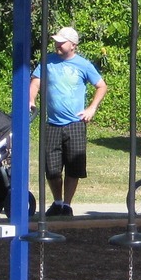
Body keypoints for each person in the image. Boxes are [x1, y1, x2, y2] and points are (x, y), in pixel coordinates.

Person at [29, 26, 107, 218]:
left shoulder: (83, 65)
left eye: (61, 42)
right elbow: (36, 82)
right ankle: (57, 202)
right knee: (52, 168)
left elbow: (101, 86)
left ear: (73, 45)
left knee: (74, 167)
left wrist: (91, 108)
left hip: (75, 124)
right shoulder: (47, 61)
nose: (57, 44)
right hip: (52, 124)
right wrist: (31, 99)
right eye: (56, 41)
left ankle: (67, 205)